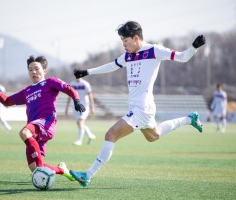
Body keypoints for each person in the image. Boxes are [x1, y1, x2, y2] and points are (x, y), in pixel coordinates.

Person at [69, 21, 206, 187]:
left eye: (125, 41)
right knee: (153, 136)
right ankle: (189, 119)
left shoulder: (154, 50)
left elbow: (182, 57)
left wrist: (194, 47)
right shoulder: (127, 55)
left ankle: (87, 175)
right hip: (138, 108)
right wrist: (88, 72)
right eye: (122, 42)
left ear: (135, 38)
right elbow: (112, 66)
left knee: (110, 134)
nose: (124, 45)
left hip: (142, 108)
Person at [0, 55, 86, 181]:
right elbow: (7, 101)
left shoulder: (50, 82)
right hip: (35, 129)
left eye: (36, 68)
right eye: (30, 69)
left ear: (44, 71)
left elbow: (69, 89)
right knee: (35, 168)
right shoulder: (27, 91)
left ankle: (42, 169)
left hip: (46, 122)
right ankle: (63, 170)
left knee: (24, 132)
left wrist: (76, 100)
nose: (33, 71)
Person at [65, 76, 96, 145]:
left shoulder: (85, 84)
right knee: (79, 124)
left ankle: (79, 141)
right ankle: (89, 135)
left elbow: (90, 95)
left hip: (84, 106)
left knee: (80, 121)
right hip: (75, 106)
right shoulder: (72, 84)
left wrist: (92, 107)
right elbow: (70, 96)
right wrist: (67, 107)